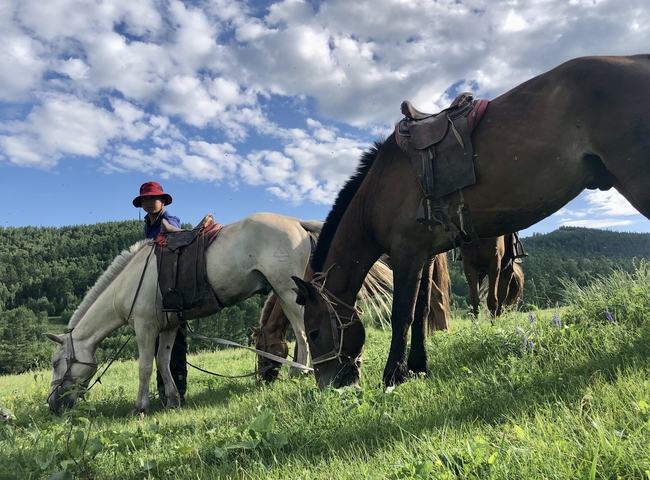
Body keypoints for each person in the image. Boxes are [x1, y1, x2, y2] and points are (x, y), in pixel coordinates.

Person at [133, 181, 187, 406]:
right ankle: (164, 391)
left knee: (175, 346)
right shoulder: (148, 223)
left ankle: (178, 392)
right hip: (157, 290)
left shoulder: (168, 219)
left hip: (172, 288)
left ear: (162, 201)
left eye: (152, 198)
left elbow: (174, 232)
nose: (148, 203)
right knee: (157, 347)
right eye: (144, 199)